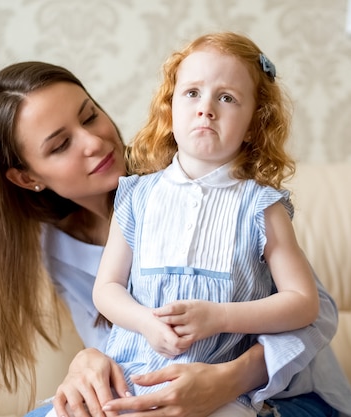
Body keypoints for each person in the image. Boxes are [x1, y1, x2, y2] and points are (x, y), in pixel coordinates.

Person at [0, 56, 351, 417]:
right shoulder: (57, 247)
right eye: (61, 145)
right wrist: (89, 360)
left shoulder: (193, 176)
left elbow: (317, 312)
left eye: (89, 115)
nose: (95, 142)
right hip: (160, 386)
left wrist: (227, 379)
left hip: (283, 392)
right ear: (26, 177)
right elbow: (128, 340)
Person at [91, 32, 320, 417]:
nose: (206, 109)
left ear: (253, 124)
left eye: (227, 98)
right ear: (170, 107)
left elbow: (303, 303)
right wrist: (146, 322)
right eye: (192, 93)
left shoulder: (261, 206)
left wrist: (222, 317)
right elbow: (107, 288)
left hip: (218, 390)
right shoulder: (135, 196)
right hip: (130, 377)